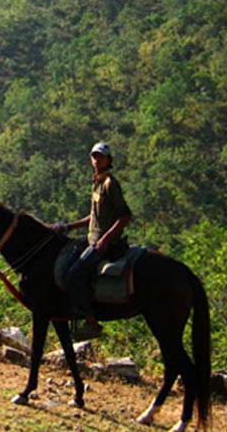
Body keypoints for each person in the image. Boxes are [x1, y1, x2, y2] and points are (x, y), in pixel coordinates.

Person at [53, 141, 132, 342]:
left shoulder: (110, 184)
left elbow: (124, 216)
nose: (96, 160)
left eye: (101, 157)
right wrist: (68, 227)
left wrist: (105, 239)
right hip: (91, 238)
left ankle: (91, 322)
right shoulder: (97, 183)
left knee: (73, 275)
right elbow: (94, 216)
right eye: (94, 156)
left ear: (108, 160)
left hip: (103, 243)